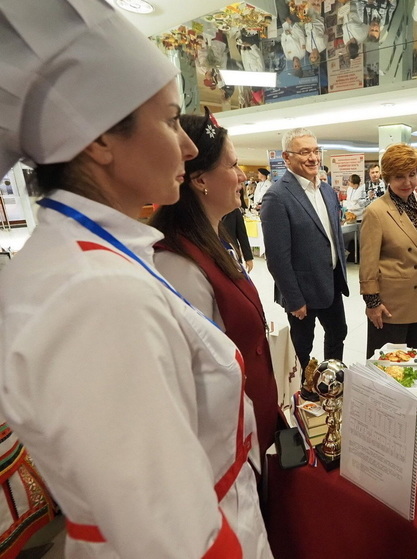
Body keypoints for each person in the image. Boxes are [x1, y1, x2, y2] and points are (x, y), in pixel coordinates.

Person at [0, 2, 272, 557]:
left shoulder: (90, 260)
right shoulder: (94, 293)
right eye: (172, 120)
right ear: (100, 139)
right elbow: (169, 535)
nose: (190, 147)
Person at [150, 111, 278, 459]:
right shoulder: (179, 263)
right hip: (229, 446)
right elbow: (194, 382)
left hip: (253, 421)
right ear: (200, 179)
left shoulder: (214, 238)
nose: (241, 177)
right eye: (233, 166)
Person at [261, 128, 348, 373]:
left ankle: (332, 381)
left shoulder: (327, 191)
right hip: (301, 292)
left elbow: (334, 236)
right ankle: (302, 394)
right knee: (302, 348)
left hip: (331, 283)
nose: (313, 158)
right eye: (304, 152)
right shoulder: (277, 197)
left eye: (315, 150)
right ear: (287, 158)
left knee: (338, 333)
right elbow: (277, 257)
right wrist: (294, 299)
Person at [360, 143, 417, 358]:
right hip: (391, 306)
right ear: (387, 178)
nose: (407, 182)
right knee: (388, 369)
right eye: (399, 176)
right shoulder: (376, 211)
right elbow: (368, 263)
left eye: (412, 175)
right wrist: (372, 303)